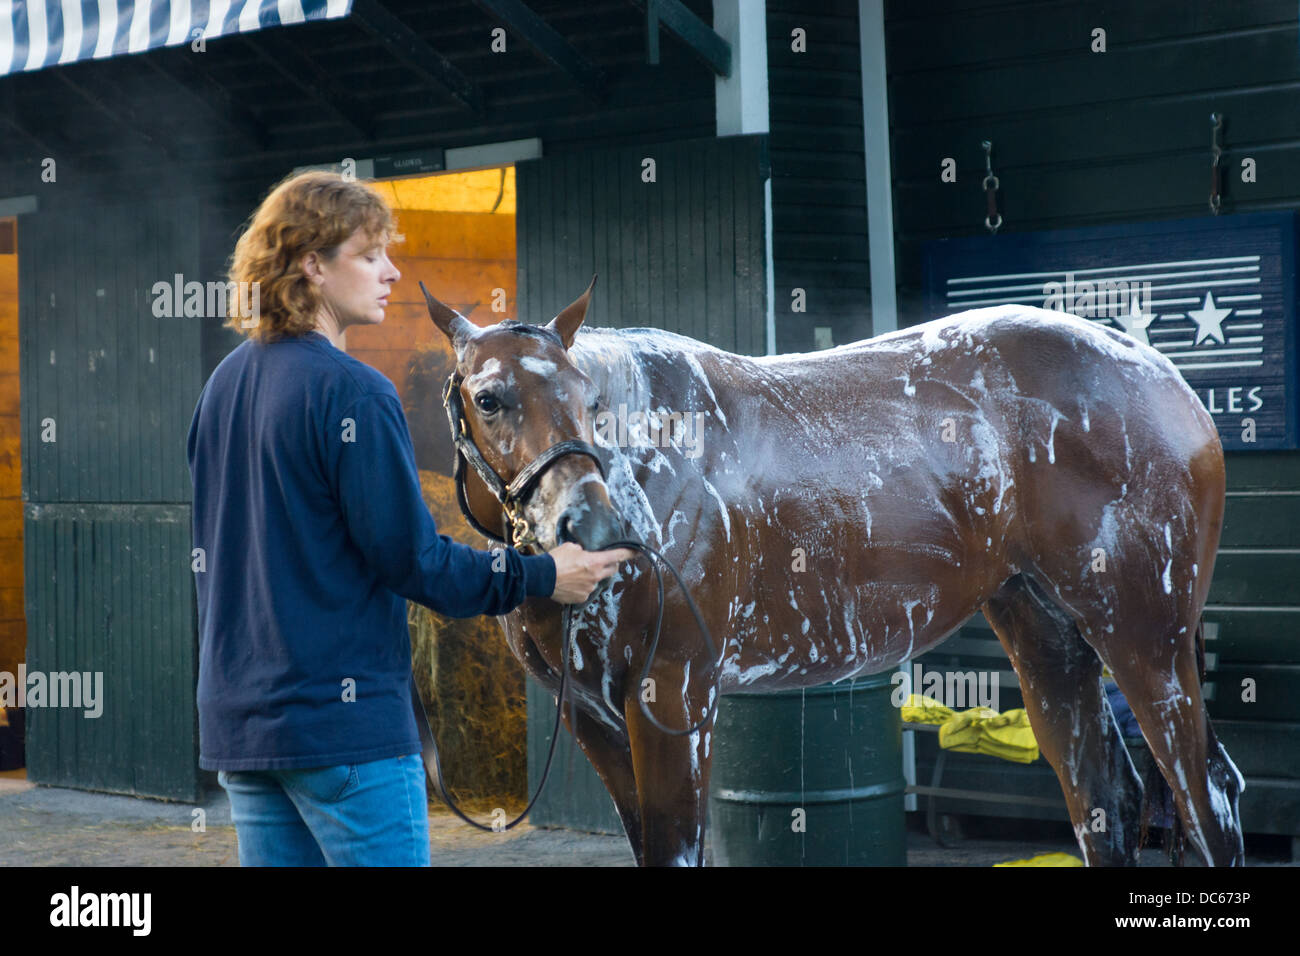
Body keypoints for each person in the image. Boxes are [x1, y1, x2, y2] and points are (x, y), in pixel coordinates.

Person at [186, 170, 632, 866]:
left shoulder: (223, 386)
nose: (392, 272)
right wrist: (543, 574)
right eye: (370, 256)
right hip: (345, 736)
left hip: (243, 729)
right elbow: (415, 562)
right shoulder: (354, 392)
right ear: (313, 265)